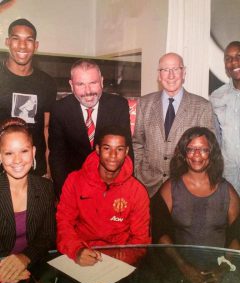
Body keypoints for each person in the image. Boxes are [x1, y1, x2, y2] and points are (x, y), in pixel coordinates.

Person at [53, 126, 150, 283]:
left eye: (119, 149)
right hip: (80, 255)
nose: (113, 155)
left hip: (119, 261)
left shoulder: (137, 191)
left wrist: (120, 258)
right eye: (107, 148)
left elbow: (140, 240)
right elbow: (63, 223)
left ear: (127, 151)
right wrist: (77, 251)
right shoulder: (75, 180)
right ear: (97, 149)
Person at [152, 127, 240, 283]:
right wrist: (183, 266)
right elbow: (160, 234)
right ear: (184, 154)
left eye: (203, 149)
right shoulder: (170, 189)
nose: (197, 155)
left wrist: (222, 269)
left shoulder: (227, 190)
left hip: (220, 268)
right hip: (178, 266)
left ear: (211, 153)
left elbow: (237, 236)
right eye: (191, 149)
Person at [133, 52, 215, 198]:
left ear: (184, 73)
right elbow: (138, 143)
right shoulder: (144, 103)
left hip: (185, 188)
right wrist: (139, 173)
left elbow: (208, 151)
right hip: (148, 187)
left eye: (176, 69)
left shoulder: (202, 106)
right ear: (159, 75)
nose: (171, 75)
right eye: (165, 70)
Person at [49, 59, 133, 197]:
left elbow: (126, 153)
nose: (88, 91)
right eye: (80, 84)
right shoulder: (60, 110)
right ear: (71, 85)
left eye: (93, 83)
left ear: (101, 81)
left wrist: (121, 192)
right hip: (75, 188)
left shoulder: (119, 106)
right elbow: (57, 158)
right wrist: (65, 194)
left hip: (111, 187)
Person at [0, 117, 56, 283]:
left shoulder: (45, 188)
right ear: (0, 156)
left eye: (23, 151)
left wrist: (24, 258)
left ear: (33, 152)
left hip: (32, 267)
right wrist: (4, 271)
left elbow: (47, 236)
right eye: (9, 153)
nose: (17, 160)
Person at [0, 18, 57, 178]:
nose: (22, 45)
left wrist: (48, 169)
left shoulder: (47, 83)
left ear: (36, 45)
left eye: (28, 40)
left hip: (35, 168)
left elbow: (46, 129)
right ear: (7, 42)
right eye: (16, 39)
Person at [210, 41, 240, 195]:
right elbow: (216, 139)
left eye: (238, 56)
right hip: (227, 178)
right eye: (228, 58)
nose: (234, 62)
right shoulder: (216, 97)